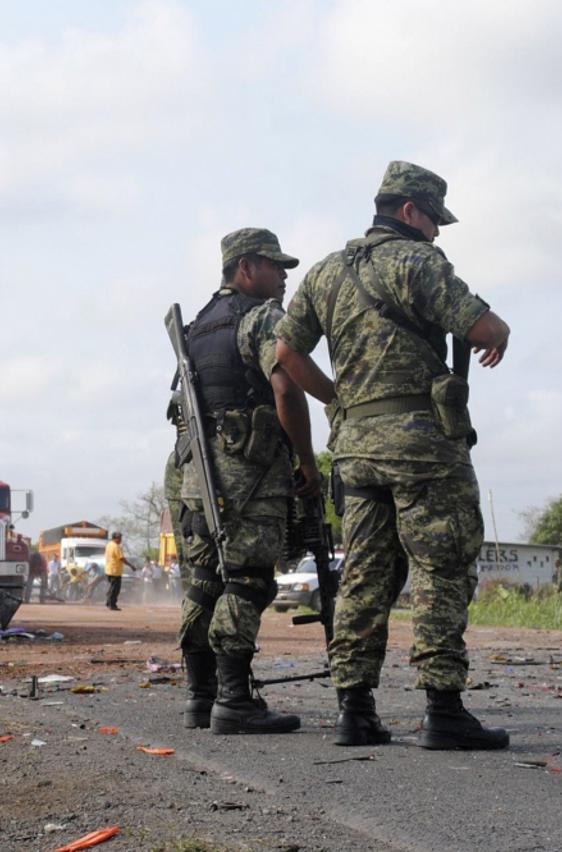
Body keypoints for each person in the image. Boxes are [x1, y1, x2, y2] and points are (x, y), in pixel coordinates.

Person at [275, 161, 511, 751]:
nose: (438, 231)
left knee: (364, 574)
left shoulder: (327, 272)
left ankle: (354, 711)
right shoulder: (420, 262)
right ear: (409, 211)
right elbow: (481, 327)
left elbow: (285, 352)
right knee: (442, 567)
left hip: (355, 449)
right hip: (422, 449)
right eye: (434, 218)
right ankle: (444, 709)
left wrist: (339, 400)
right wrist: (500, 328)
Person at [172, 227, 321, 734]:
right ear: (246, 267)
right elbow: (287, 388)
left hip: (198, 476)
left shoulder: (198, 326)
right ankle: (234, 700)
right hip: (248, 475)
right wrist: (307, 461)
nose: (283, 277)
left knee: (206, 582)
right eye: (276, 266)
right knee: (248, 580)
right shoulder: (260, 317)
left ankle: (200, 696)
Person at [103, 532, 137, 610]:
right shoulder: (116, 547)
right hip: (115, 570)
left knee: (112, 587)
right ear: (115, 538)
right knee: (115, 589)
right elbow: (121, 558)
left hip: (109, 569)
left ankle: (109, 602)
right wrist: (131, 565)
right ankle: (112, 605)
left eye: (120, 538)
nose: (120, 540)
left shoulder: (109, 545)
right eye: (119, 538)